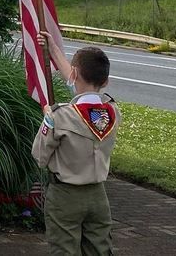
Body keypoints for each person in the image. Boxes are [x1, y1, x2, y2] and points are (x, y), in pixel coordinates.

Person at [33, 31, 121, 256]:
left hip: (66, 196)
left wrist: (47, 119)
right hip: (98, 196)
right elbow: (82, 89)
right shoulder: (112, 112)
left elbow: (40, 157)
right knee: (99, 251)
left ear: (74, 74)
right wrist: (53, 49)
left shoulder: (59, 116)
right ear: (106, 81)